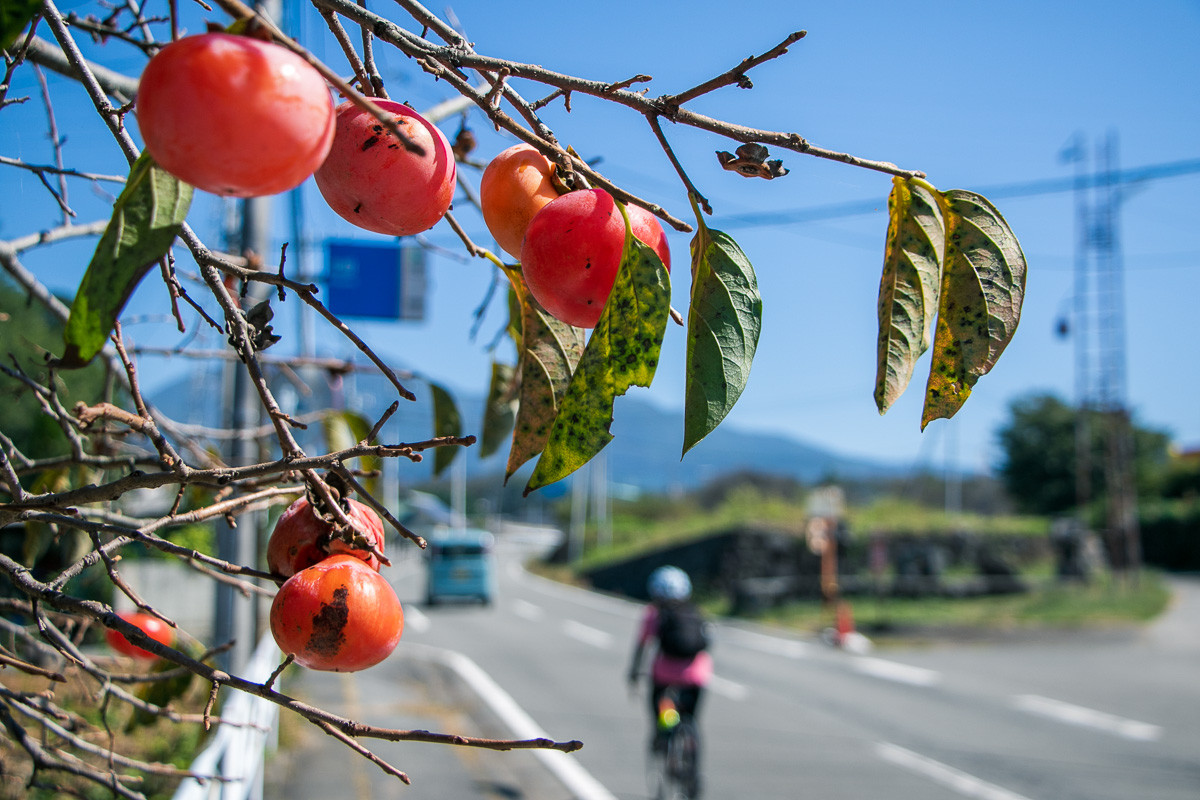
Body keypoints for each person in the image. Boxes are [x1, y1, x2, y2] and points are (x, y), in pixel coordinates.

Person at [627, 566, 713, 756]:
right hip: (697, 674)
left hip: (665, 673)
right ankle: (690, 748)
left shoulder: (654, 613)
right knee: (690, 717)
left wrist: (633, 673)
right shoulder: (695, 611)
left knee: (658, 703)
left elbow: (642, 646)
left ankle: (662, 735)